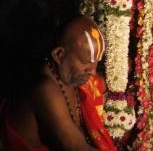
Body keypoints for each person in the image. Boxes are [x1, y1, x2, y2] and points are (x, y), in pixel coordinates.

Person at [0, 15, 116, 151]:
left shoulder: (70, 76)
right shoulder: (44, 89)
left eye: (96, 62)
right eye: (86, 63)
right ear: (59, 55)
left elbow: (100, 83)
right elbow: (76, 147)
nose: (92, 71)